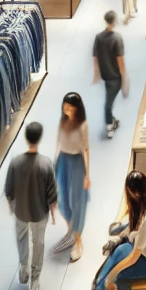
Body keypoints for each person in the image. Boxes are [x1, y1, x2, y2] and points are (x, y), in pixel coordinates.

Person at [4, 122, 57, 290]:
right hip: (39, 212)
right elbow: (52, 192)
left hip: (21, 210)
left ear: (26, 138)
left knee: (22, 238)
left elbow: (9, 189)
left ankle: (23, 266)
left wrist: (11, 206)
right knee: (38, 242)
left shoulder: (16, 162)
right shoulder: (45, 164)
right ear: (39, 138)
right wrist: (53, 211)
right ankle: (35, 277)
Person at [54, 92, 90, 264]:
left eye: (70, 105)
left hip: (76, 164)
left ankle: (78, 240)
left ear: (77, 107)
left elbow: (86, 150)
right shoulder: (62, 122)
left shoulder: (82, 126)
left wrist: (87, 175)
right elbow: (58, 144)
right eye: (64, 105)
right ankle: (71, 230)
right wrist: (54, 166)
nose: (66, 108)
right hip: (62, 162)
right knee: (61, 200)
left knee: (78, 203)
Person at [94, 10, 126, 137]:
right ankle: (109, 125)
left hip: (105, 74)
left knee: (110, 98)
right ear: (114, 21)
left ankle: (112, 120)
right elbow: (120, 60)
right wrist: (124, 78)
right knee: (108, 102)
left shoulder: (98, 37)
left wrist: (96, 74)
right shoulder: (117, 38)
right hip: (115, 76)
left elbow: (95, 57)